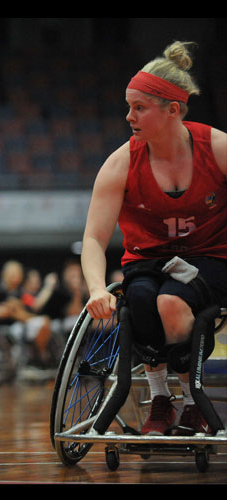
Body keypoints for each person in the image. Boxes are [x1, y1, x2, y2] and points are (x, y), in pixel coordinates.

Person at [81, 41, 227, 436]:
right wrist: (96, 288)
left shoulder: (218, 148)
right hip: (147, 260)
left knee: (171, 302)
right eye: (129, 107)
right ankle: (162, 400)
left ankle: (192, 401)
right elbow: (94, 239)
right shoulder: (120, 163)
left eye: (139, 108)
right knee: (143, 299)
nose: (128, 116)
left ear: (172, 110)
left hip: (211, 257)